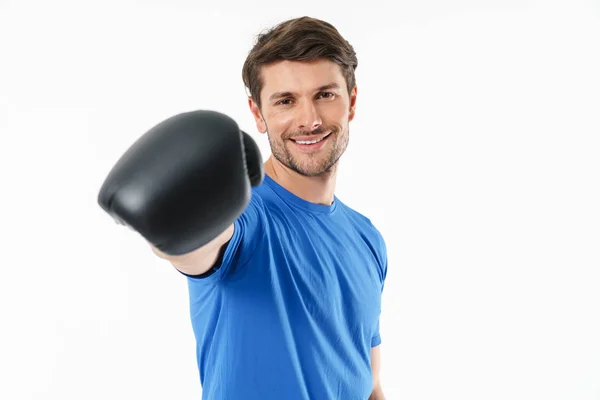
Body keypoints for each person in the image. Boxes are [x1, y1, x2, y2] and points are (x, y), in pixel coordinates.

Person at [98, 16, 388, 400]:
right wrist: (168, 223)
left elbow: (369, 382)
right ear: (257, 114)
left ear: (351, 101)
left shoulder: (367, 238)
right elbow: (196, 248)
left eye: (325, 94)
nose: (310, 120)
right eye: (286, 101)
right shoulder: (244, 215)